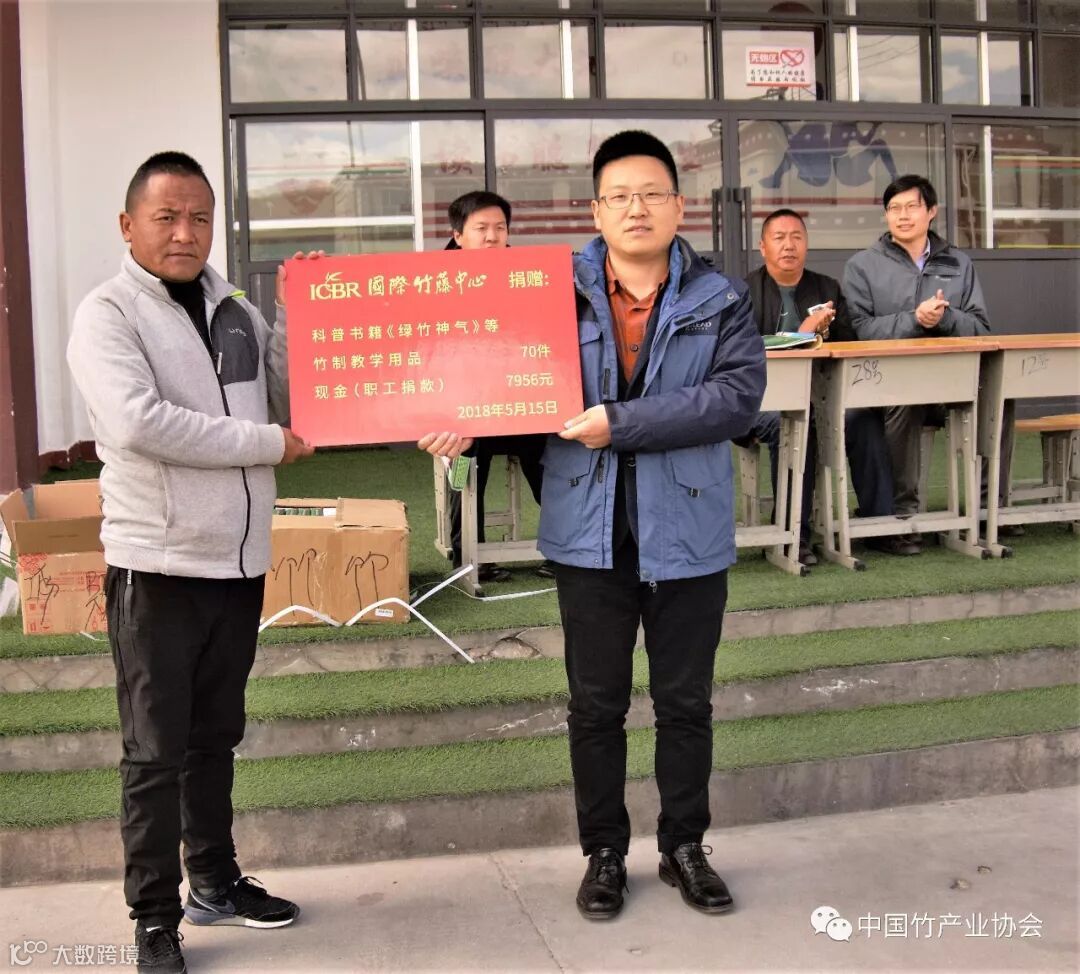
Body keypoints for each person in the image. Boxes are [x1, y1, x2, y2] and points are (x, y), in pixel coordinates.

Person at [422, 130, 766, 919]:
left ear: (679, 206)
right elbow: (510, 385)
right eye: (620, 196)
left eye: (651, 194)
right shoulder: (548, 292)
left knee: (686, 703)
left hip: (687, 531)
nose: (636, 209)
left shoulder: (722, 298)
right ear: (596, 210)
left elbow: (733, 400)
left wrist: (621, 422)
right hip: (589, 529)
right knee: (596, 704)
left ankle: (684, 847)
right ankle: (604, 852)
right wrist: (467, 425)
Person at [67, 152, 316, 973]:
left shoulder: (234, 308)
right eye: (166, 216)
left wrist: (295, 316)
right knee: (155, 751)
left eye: (199, 217)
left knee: (214, 738)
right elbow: (140, 423)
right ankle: (154, 917)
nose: (185, 232)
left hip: (237, 565)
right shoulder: (107, 315)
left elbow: (285, 400)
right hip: (158, 567)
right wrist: (266, 445)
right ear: (128, 225)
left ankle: (213, 880)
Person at [843, 174, 1010, 548]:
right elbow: (861, 330)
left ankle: (989, 511)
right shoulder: (862, 266)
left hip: (952, 382)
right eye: (894, 208)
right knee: (904, 398)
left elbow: (981, 328)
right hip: (889, 384)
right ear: (886, 215)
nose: (902, 216)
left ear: (931, 211)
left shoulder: (958, 262)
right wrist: (914, 320)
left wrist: (945, 318)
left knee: (999, 395)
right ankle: (904, 515)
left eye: (911, 207)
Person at [743, 208, 906, 561]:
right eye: (779, 238)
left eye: (796, 237)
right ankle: (793, 534)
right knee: (792, 423)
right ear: (763, 246)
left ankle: (880, 525)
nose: (789, 245)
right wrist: (800, 335)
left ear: (807, 244)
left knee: (863, 418)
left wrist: (827, 332)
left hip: (820, 397)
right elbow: (740, 349)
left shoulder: (827, 288)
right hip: (759, 401)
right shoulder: (743, 291)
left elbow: (851, 345)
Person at [442, 190, 549, 582]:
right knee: (462, 468)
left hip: (523, 402)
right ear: (458, 235)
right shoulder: (433, 283)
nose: (492, 236)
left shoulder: (531, 278)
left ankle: (563, 548)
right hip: (463, 411)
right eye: (481, 228)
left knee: (555, 461)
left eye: (500, 228)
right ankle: (468, 555)